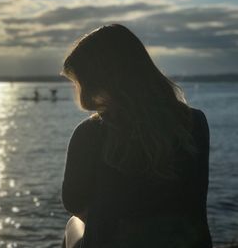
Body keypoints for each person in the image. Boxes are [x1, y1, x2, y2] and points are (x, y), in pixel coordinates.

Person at [60, 24, 212, 248]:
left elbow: (74, 203)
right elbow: (195, 198)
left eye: (79, 82)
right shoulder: (194, 122)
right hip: (185, 242)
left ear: (97, 82)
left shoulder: (91, 132)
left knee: (73, 224)